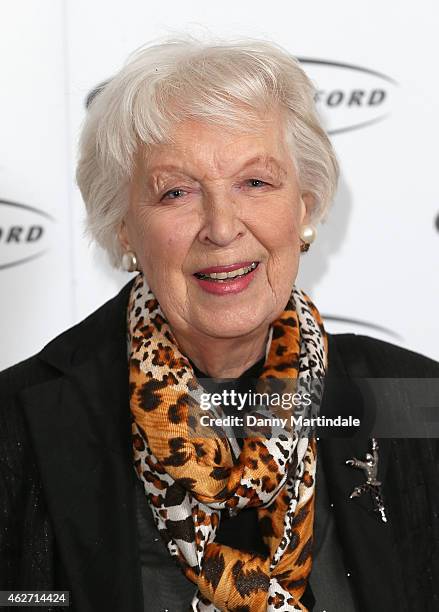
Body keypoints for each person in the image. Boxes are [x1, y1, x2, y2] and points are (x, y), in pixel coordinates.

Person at [1, 36, 438, 612]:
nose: (222, 226)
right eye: (176, 192)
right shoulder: (19, 422)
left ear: (304, 208)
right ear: (125, 228)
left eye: (255, 182)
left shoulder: (412, 400)